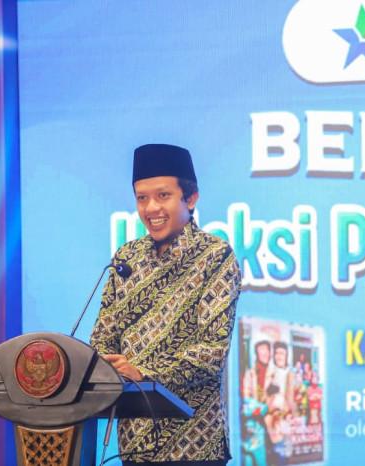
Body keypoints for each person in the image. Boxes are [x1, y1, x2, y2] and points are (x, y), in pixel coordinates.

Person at [90, 143, 241, 466]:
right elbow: (102, 338)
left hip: (194, 445)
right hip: (133, 443)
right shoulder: (126, 258)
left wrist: (143, 374)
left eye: (163, 196)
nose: (151, 208)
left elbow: (211, 352)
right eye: (142, 198)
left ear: (191, 198)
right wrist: (104, 366)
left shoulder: (215, 257)